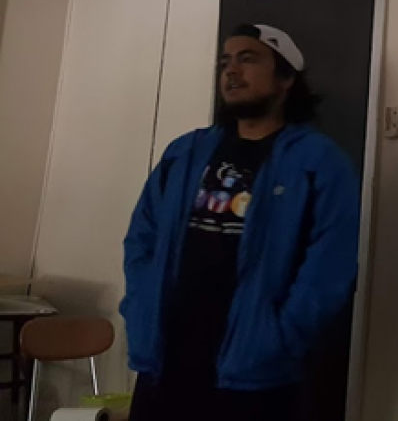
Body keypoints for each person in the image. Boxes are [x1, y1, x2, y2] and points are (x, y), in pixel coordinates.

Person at [122, 24, 360, 421]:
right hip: (165, 361)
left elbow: (331, 264)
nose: (232, 71)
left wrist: (281, 336)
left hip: (256, 374)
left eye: (248, 59)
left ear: (285, 79)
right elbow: (141, 238)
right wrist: (141, 306)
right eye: (225, 62)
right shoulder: (184, 153)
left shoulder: (319, 163)